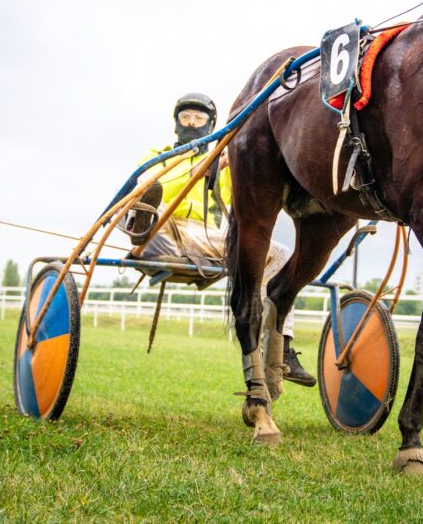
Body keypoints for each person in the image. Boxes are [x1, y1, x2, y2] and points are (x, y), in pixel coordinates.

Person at [126, 92, 316, 387]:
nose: (191, 122)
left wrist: (237, 163)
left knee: (279, 253)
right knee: (150, 198)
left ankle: (284, 347)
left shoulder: (224, 161)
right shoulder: (157, 156)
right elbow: (154, 184)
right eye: (185, 117)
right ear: (176, 124)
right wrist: (199, 164)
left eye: (198, 118)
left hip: (205, 237)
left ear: (210, 124)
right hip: (164, 228)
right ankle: (142, 225)